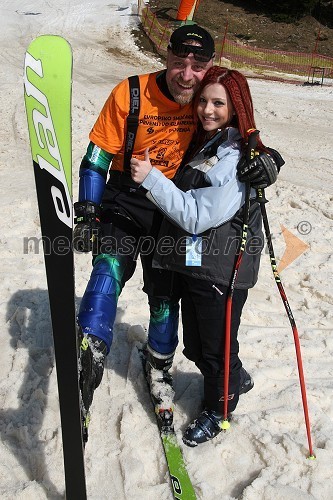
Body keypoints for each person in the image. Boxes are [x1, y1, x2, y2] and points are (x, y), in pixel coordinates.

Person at [73, 24, 282, 441]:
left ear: (207, 69)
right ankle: (91, 345)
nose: (187, 75)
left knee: (165, 295)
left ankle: (159, 363)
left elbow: (239, 131)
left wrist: (270, 160)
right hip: (128, 199)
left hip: (173, 212)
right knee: (110, 264)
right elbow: (97, 156)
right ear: (165, 57)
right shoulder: (131, 93)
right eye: (178, 62)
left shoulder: (204, 100)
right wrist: (87, 211)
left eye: (197, 66)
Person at [130, 66, 284, 446]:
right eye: (203, 100)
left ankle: (219, 411)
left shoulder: (234, 157)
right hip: (201, 265)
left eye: (219, 103)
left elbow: (198, 216)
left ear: (237, 107)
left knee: (214, 350)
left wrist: (150, 178)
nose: (207, 110)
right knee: (199, 346)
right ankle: (237, 377)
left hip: (222, 270)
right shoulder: (211, 142)